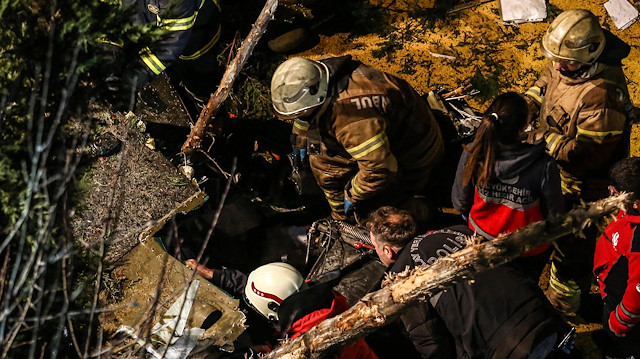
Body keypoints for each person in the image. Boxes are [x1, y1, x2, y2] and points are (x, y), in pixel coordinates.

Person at [523, 8, 634, 315]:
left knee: (571, 250)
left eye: (565, 61)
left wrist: (539, 136)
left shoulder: (602, 96)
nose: (557, 64)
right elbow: (545, 80)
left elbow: (585, 155)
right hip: (555, 176)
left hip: (583, 188)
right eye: (554, 57)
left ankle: (565, 306)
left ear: (592, 53)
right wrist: (526, 103)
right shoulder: (568, 61)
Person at [367, 206, 569, 359]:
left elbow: (431, 342)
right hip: (545, 317)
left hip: (508, 349)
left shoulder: (402, 278)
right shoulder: (459, 231)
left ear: (387, 251)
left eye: (375, 245)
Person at [270, 56, 444, 226]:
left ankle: (426, 209)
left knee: (380, 216)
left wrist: (352, 195)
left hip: (415, 154)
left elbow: (379, 169)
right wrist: (300, 136)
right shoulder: (321, 73)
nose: (298, 118)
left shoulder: (352, 120)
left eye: (301, 113)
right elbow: (307, 115)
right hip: (400, 128)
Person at [451, 92, 564, 279]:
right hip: (527, 250)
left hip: (481, 241)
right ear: (523, 128)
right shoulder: (543, 165)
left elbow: (460, 202)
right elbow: (555, 217)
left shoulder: (474, 152)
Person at [186, 259, 379, 358]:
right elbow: (263, 288)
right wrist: (217, 275)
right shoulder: (309, 295)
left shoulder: (313, 343)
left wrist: (267, 352)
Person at [101, 0, 223, 111]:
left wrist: (134, 78)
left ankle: (209, 112)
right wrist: (110, 51)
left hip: (196, 36)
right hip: (149, 23)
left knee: (199, 80)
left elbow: (170, 44)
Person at [593, 157, 640, 359]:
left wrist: (619, 322)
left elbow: (637, 293)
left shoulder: (638, 240)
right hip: (613, 289)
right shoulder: (632, 215)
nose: (612, 193)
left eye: (617, 191)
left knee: (623, 347)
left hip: (621, 308)